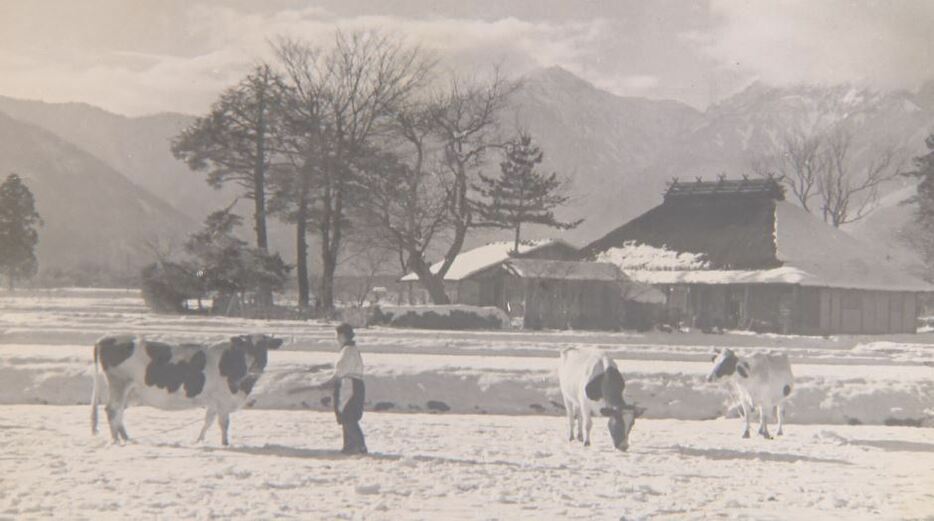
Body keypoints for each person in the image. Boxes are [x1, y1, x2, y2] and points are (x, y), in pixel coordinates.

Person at [300, 323, 367, 454]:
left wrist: (330, 382)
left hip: (349, 385)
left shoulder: (348, 350)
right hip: (352, 383)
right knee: (346, 415)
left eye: (337, 336)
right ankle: (350, 446)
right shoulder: (351, 350)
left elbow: (341, 370)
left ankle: (358, 446)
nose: (336, 339)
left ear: (342, 335)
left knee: (348, 416)